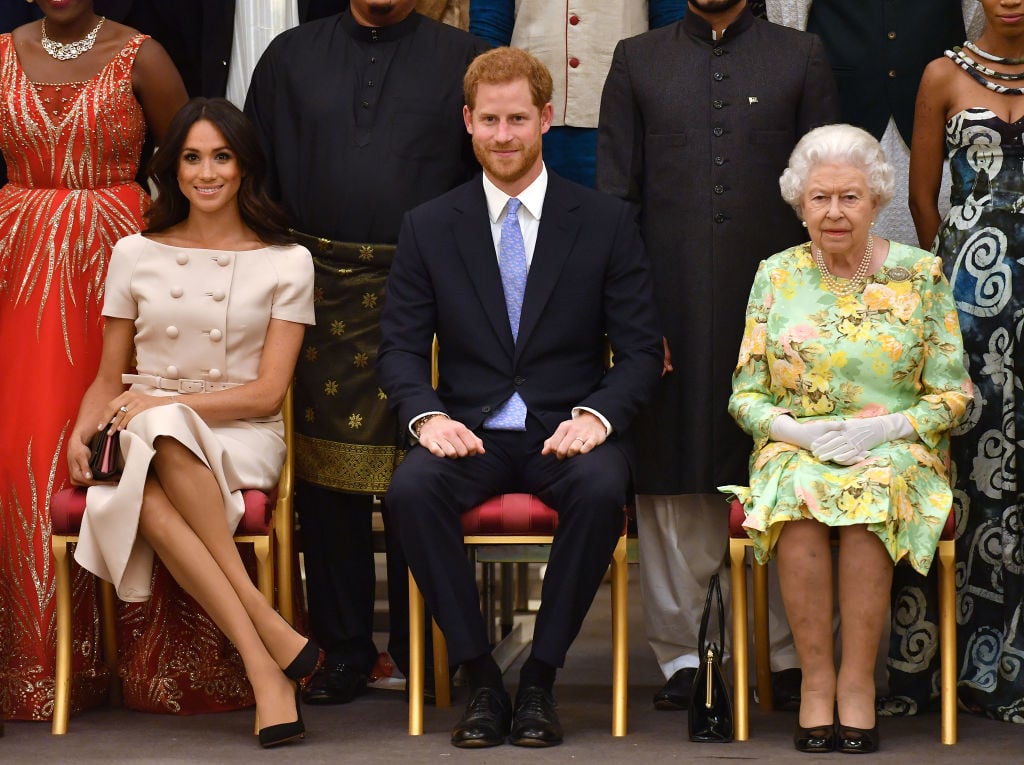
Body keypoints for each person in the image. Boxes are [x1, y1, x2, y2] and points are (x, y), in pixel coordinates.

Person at [378, 47, 663, 748]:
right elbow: (401, 350)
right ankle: (479, 673)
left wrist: (596, 416)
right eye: (489, 121)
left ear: (545, 118)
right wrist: (426, 415)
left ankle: (539, 676)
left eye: (517, 120)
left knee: (601, 487)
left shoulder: (602, 222)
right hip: (468, 430)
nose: (503, 136)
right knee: (411, 490)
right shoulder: (429, 224)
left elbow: (640, 352)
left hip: (565, 431)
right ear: (467, 122)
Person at [595, 0, 839, 713]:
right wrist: (635, 321)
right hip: (667, 307)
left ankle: (792, 655)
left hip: (782, 312)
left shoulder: (802, 56)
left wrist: (818, 318)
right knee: (675, 477)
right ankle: (682, 655)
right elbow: (617, 200)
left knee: (785, 473)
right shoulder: (638, 60)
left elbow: (824, 196)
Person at [244, 0, 489, 705]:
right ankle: (345, 648)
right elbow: (256, 177)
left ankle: (428, 644)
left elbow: (486, 178)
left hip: (431, 294)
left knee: (427, 470)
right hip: (315, 292)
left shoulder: (462, 59)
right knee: (325, 483)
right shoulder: (291, 57)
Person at [68, 97, 317, 747]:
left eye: (222, 157)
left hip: (241, 432)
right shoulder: (134, 251)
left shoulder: (288, 260)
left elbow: (267, 392)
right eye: (192, 157)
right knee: (148, 459)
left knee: (158, 443)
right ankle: (268, 650)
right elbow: (109, 373)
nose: (207, 172)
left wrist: (159, 407)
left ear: (245, 167)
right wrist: (80, 429)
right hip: (144, 423)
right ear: (173, 168)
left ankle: (266, 654)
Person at [722, 123, 973, 753]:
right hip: (797, 442)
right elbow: (745, 394)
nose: (834, 212)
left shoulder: (921, 274)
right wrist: (797, 432)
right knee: (802, 497)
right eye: (820, 197)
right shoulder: (774, 276)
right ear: (799, 202)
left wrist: (887, 427)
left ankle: (858, 683)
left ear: (878, 198)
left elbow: (953, 393)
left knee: (870, 495)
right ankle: (816, 682)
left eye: (850, 197)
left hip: (896, 447)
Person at [0, 0, 186, 721]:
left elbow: (189, 157)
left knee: (118, 434)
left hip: (120, 259)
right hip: (19, 263)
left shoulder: (144, 55)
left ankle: (140, 655)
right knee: (26, 442)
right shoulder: (4, 51)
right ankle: (39, 659)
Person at [909, 0, 1024, 724]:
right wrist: (949, 283)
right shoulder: (942, 75)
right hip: (969, 304)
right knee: (968, 470)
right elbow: (924, 199)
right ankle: (963, 665)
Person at [468, 0, 687, 187]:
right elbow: (489, 28)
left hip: (626, 116)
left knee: (613, 224)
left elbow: (672, 24)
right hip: (526, 117)